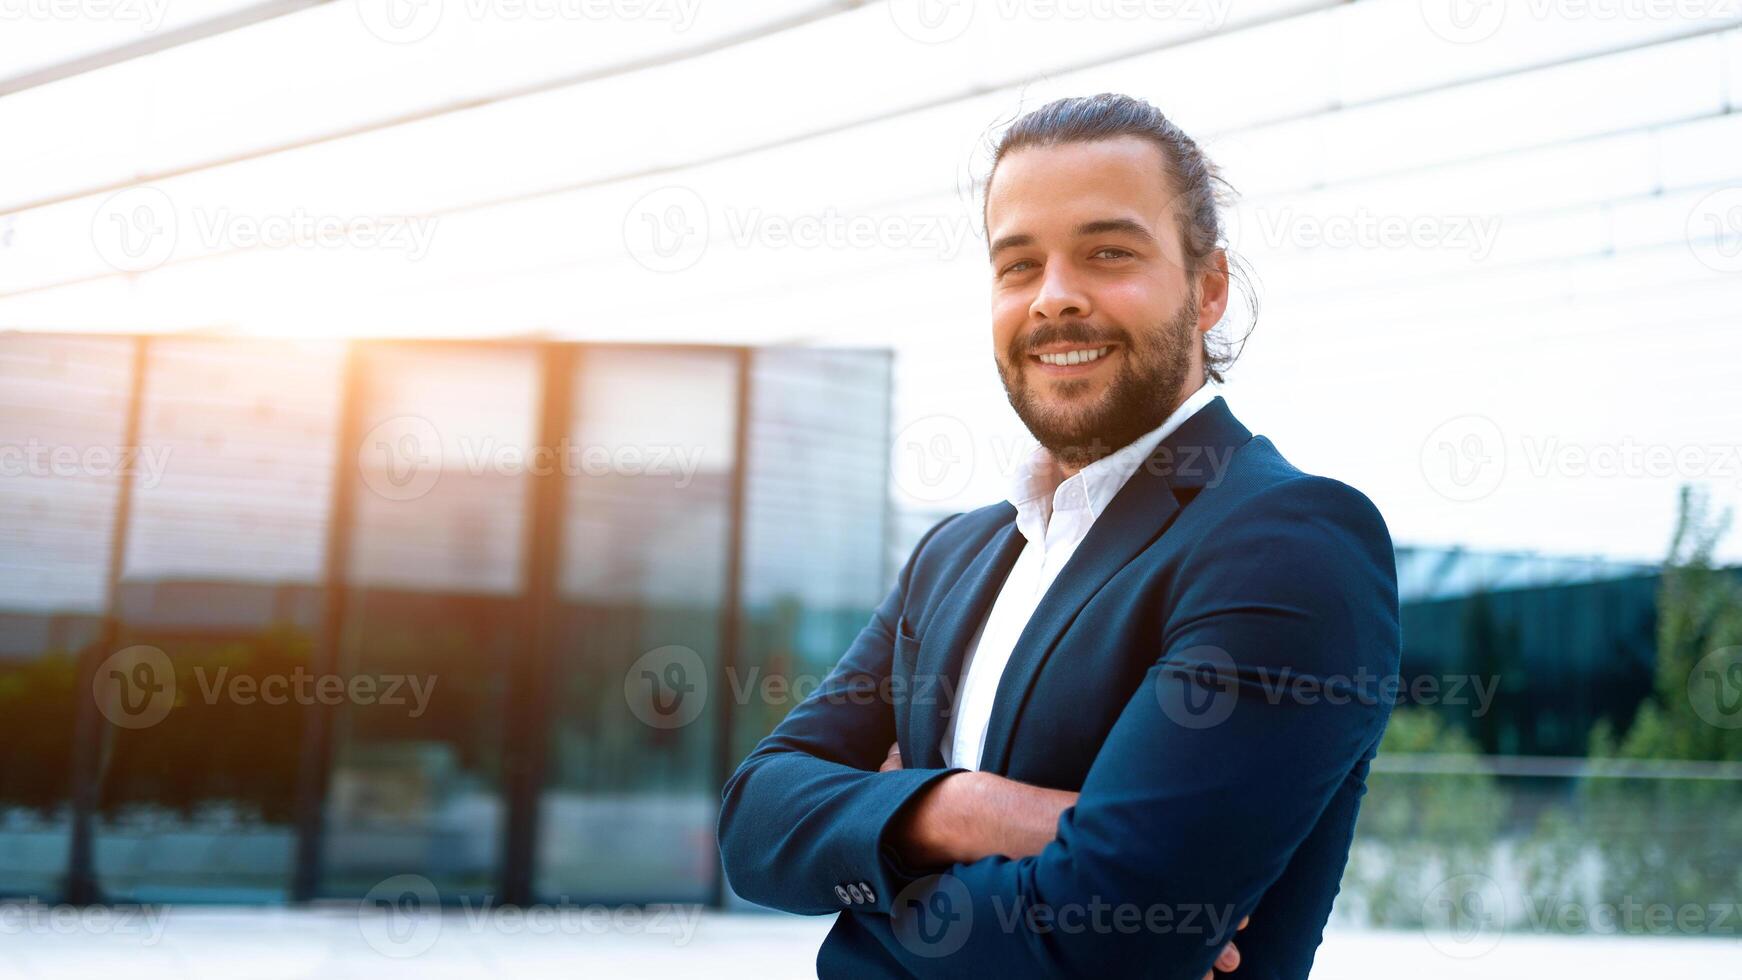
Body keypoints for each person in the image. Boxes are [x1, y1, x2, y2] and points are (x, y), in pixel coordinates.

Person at [718, 92, 1401, 979]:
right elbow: (754, 823)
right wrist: (969, 811)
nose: (1054, 299)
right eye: (1018, 265)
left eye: (1108, 253)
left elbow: (1111, 937)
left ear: (1209, 289)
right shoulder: (953, 556)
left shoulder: (1290, 542)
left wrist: (869, 876)